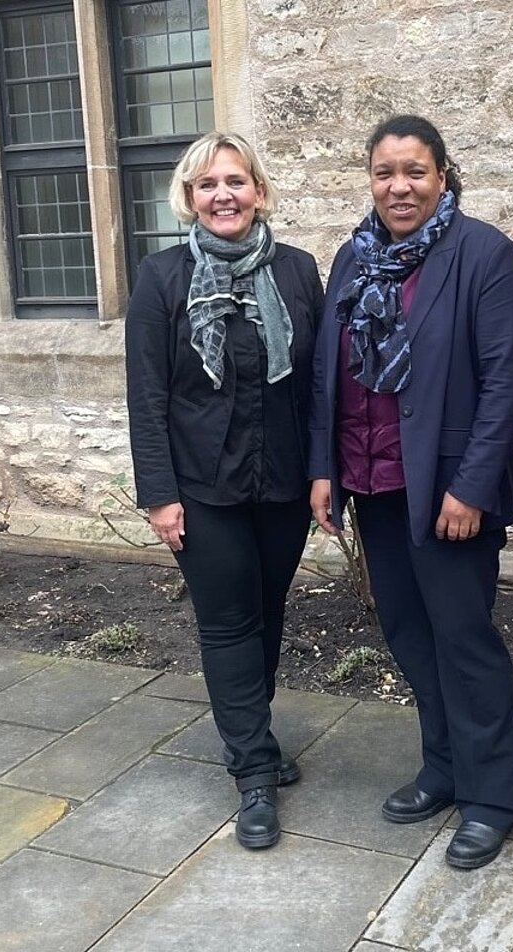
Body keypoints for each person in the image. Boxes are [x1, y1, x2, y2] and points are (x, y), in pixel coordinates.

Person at [309, 115, 513, 869]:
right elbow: (329, 372)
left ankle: (491, 798)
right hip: (374, 483)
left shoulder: (486, 255)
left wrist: (470, 488)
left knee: (463, 640)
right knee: (409, 634)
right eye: (385, 173)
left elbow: (505, 381)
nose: (399, 187)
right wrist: (323, 469)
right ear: (370, 181)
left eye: (414, 172)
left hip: (447, 493)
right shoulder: (352, 257)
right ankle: (443, 767)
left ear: (442, 175)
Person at [125, 131, 324, 851]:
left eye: (235, 181)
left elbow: (318, 386)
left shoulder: (297, 271)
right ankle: (254, 775)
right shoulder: (162, 277)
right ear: (189, 198)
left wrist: (323, 474)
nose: (223, 195)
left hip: (283, 482)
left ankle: (252, 736)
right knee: (229, 622)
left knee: (266, 612)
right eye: (207, 184)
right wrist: (158, 494)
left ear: (259, 191)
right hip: (201, 489)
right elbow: (147, 395)